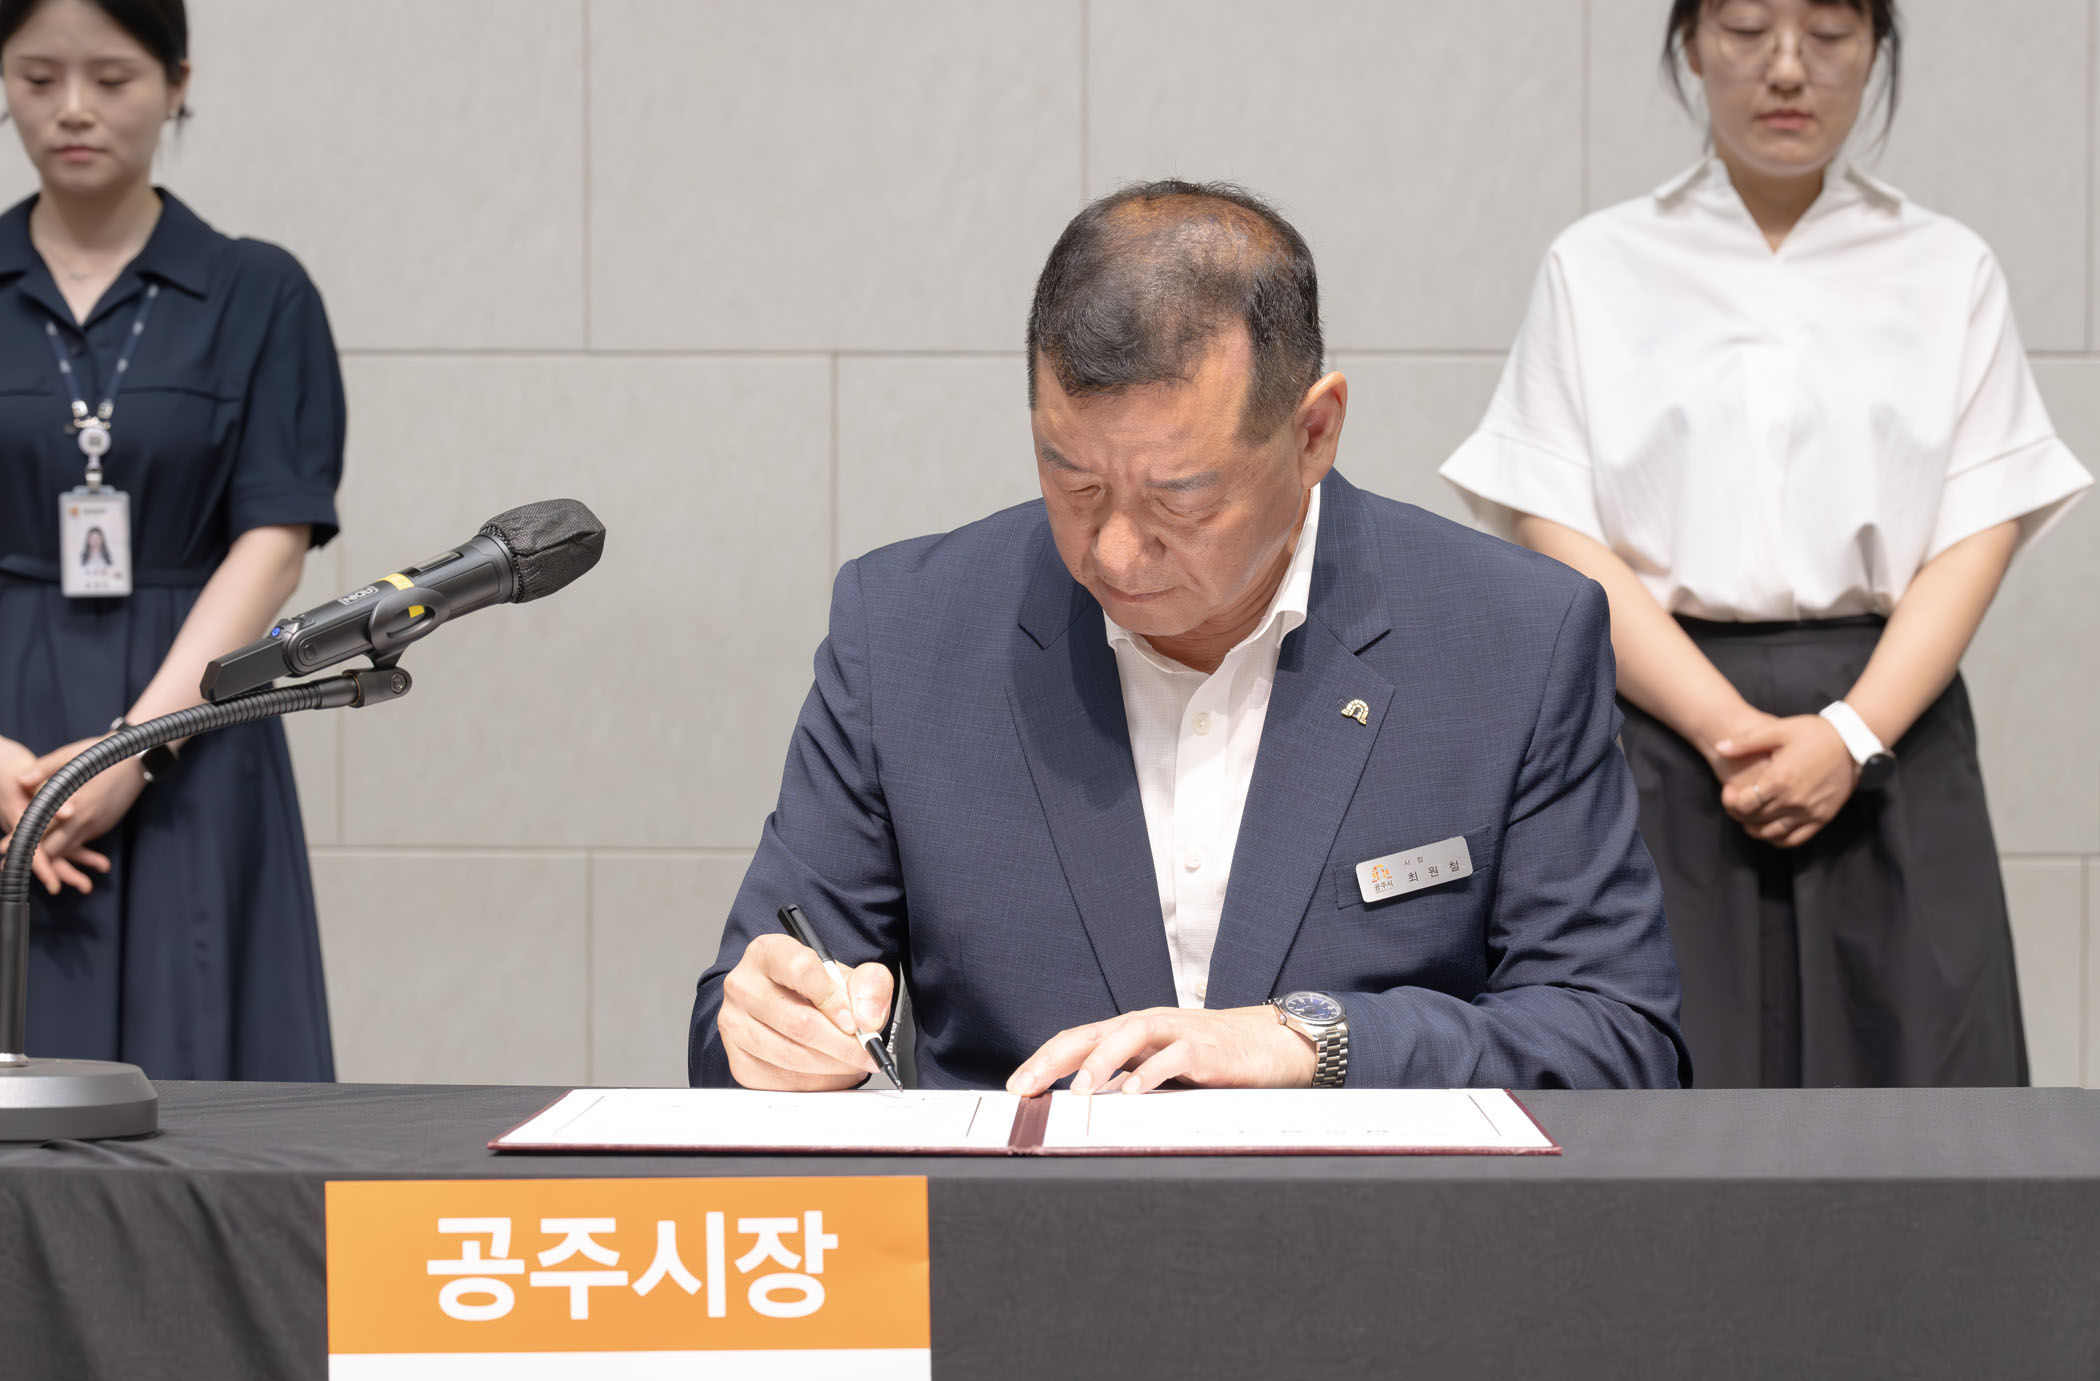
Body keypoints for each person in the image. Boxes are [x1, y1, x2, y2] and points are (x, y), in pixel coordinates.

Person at [690, 181, 1688, 1094]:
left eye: (1182, 497)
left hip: (1363, 1223)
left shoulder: (1511, 637)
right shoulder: (908, 631)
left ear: (1313, 432)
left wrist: (1316, 1041)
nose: (1116, 551)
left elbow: (1619, 1040)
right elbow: (735, 1018)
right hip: (1015, 1218)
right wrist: (773, 1030)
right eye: (1075, 482)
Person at [1439, 0, 2091, 1088]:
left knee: (1922, 1101)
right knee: (1668, 1095)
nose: (1788, 69)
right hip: (1661, 725)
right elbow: (1553, 521)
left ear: (1875, 47)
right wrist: (1728, 729)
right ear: (1692, 43)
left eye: (1828, 35)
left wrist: (1849, 733)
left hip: (1889, 731)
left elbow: (1982, 525)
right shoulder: (1597, 264)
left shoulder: (1949, 266)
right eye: (1747, 29)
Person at [0, 0, 343, 1079]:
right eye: (37, 77)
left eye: (111, 78)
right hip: (4, 738)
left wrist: (135, 749)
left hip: (192, 728)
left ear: (176, 83)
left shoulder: (261, 291)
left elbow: (273, 542)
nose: (73, 109)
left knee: (202, 1087)